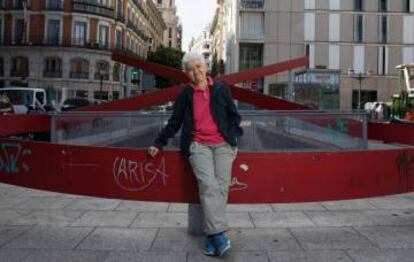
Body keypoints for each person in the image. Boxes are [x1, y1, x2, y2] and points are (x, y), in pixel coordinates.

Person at [147, 52, 243, 256]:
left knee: (221, 189)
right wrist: (159, 142)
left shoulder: (220, 89)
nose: (196, 71)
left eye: (199, 66)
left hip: (223, 145)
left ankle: (211, 238)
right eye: (190, 69)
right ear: (187, 74)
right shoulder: (185, 95)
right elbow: (174, 122)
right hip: (198, 145)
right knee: (208, 186)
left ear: (206, 68)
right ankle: (219, 236)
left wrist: (233, 139)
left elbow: (234, 117)